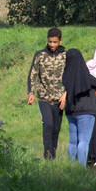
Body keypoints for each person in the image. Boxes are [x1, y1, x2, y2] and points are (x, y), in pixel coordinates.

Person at [61, 49, 96, 165]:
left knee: (72, 141)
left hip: (71, 111)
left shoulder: (65, 76)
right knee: (84, 141)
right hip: (86, 111)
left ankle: (72, 166)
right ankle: (81, 168)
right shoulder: (85, 75)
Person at [27, 28, 68, 159]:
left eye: (55, 42)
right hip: (44, 97)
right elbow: (32, 74)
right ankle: (48, 155)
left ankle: (53, 152)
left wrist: (66, 94)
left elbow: (71, 76)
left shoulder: (66, 56)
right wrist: (31, 93)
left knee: (56, 128)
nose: (52, 45)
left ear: (60, 41)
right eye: (50, 42)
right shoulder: (40, 55)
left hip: (59, 98)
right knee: (48, 124)